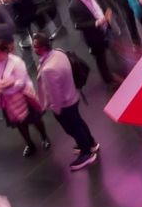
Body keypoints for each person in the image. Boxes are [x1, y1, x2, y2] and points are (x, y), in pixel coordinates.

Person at [31, 33, 98, 171]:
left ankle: (87, 153)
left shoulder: (48, 69)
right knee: (78, 122)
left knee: (72, 128)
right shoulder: (59, 52)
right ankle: (91, 143)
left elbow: (55, 95)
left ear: (42, 48)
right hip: (73, 95)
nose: (33, 49)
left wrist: (56, 110)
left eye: (35, 46)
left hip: (64, 105)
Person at [0, 38, 50, 157]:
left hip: (23, 96)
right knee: (19, 123)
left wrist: (3, 88)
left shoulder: (16, 62)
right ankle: (29, 144)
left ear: (5, 51)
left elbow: (21, 83)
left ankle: (45, 137)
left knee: (35, 119)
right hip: (7, 100)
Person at [67, 0, 120, 87]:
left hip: (106, 28)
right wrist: (96, 23)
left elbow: (101, 2)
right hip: (94, 37)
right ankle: (108, 80)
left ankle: (118, 69)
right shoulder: (74, 6)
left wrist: (107, 10)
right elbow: (77, 25)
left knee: (113, 46)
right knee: (101, 59)